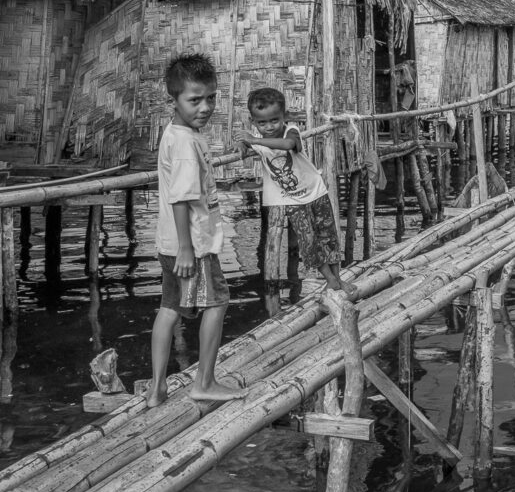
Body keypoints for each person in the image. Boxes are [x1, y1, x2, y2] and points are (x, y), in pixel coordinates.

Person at [147, 54, 246, 409]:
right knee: (217, 302)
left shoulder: (178, 135)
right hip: (193, 244)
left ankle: (157, 389)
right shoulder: (187, 144)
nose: (205, 107)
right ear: (172, 100)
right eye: (194, 100)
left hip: (170, 242)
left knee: (170, 307)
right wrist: (188, 249)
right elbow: (182, 199)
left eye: (210, 98)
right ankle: (204, 381)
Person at [238, 87, 358, 300]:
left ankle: (337, 279)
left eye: (274, 120)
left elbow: (288, 145)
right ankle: (330, 280)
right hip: (292, 201)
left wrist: (254, 141)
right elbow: (242, 146)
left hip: (315, 192)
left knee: (329, 238)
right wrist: (242, 143)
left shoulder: (289, 130)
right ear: (253, 121)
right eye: (261, 123)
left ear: (284, 117)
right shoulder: (258, 139)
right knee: (308, 243)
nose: (268, 127)